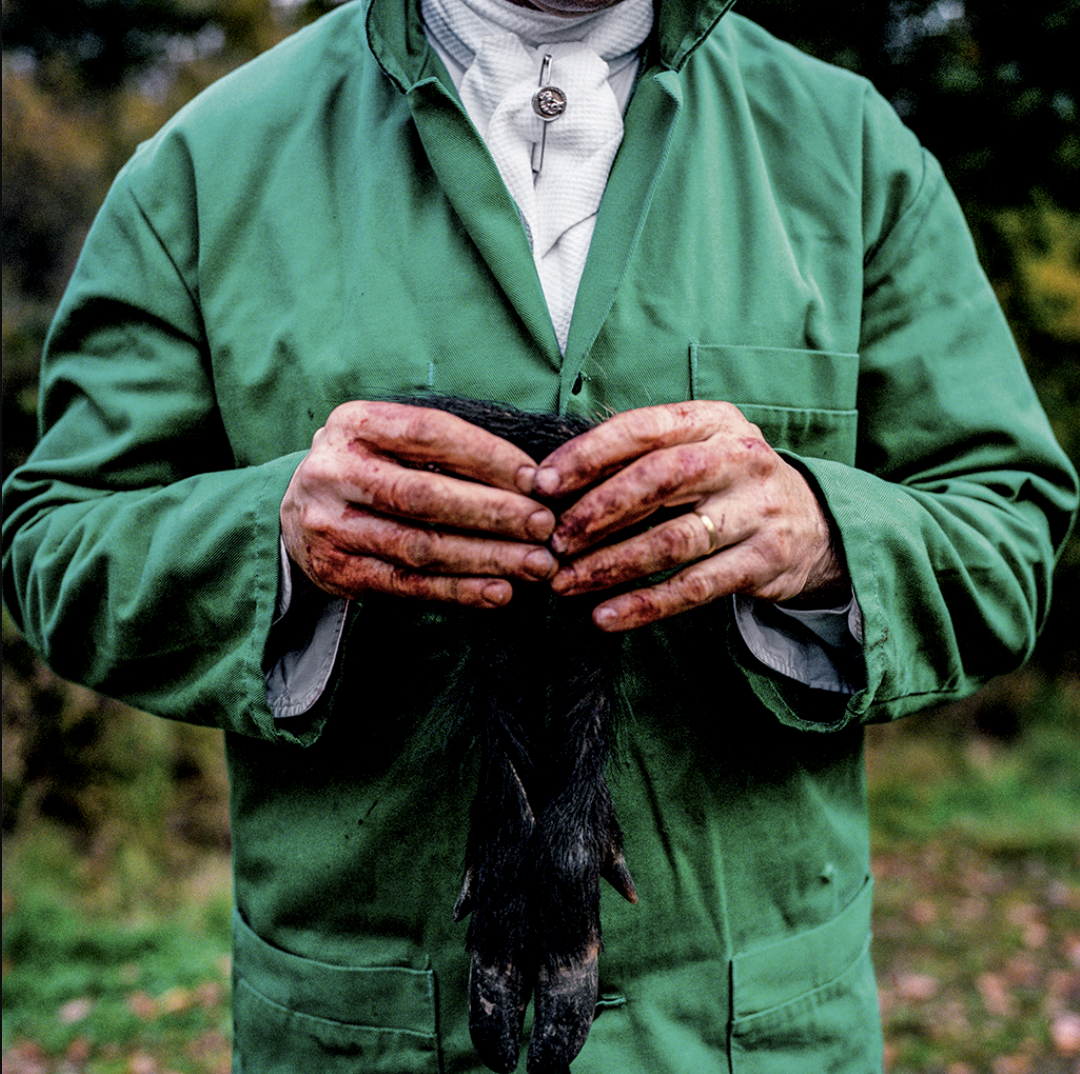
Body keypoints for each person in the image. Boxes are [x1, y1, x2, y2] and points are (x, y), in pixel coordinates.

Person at [2, 0, 1077, 1068]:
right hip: (362, 1040)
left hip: (755, 1044)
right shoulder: (206, 168)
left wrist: (822, 536)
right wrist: (280, 538)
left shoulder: (849, 154)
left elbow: (1009, 524)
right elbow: (57, 543)